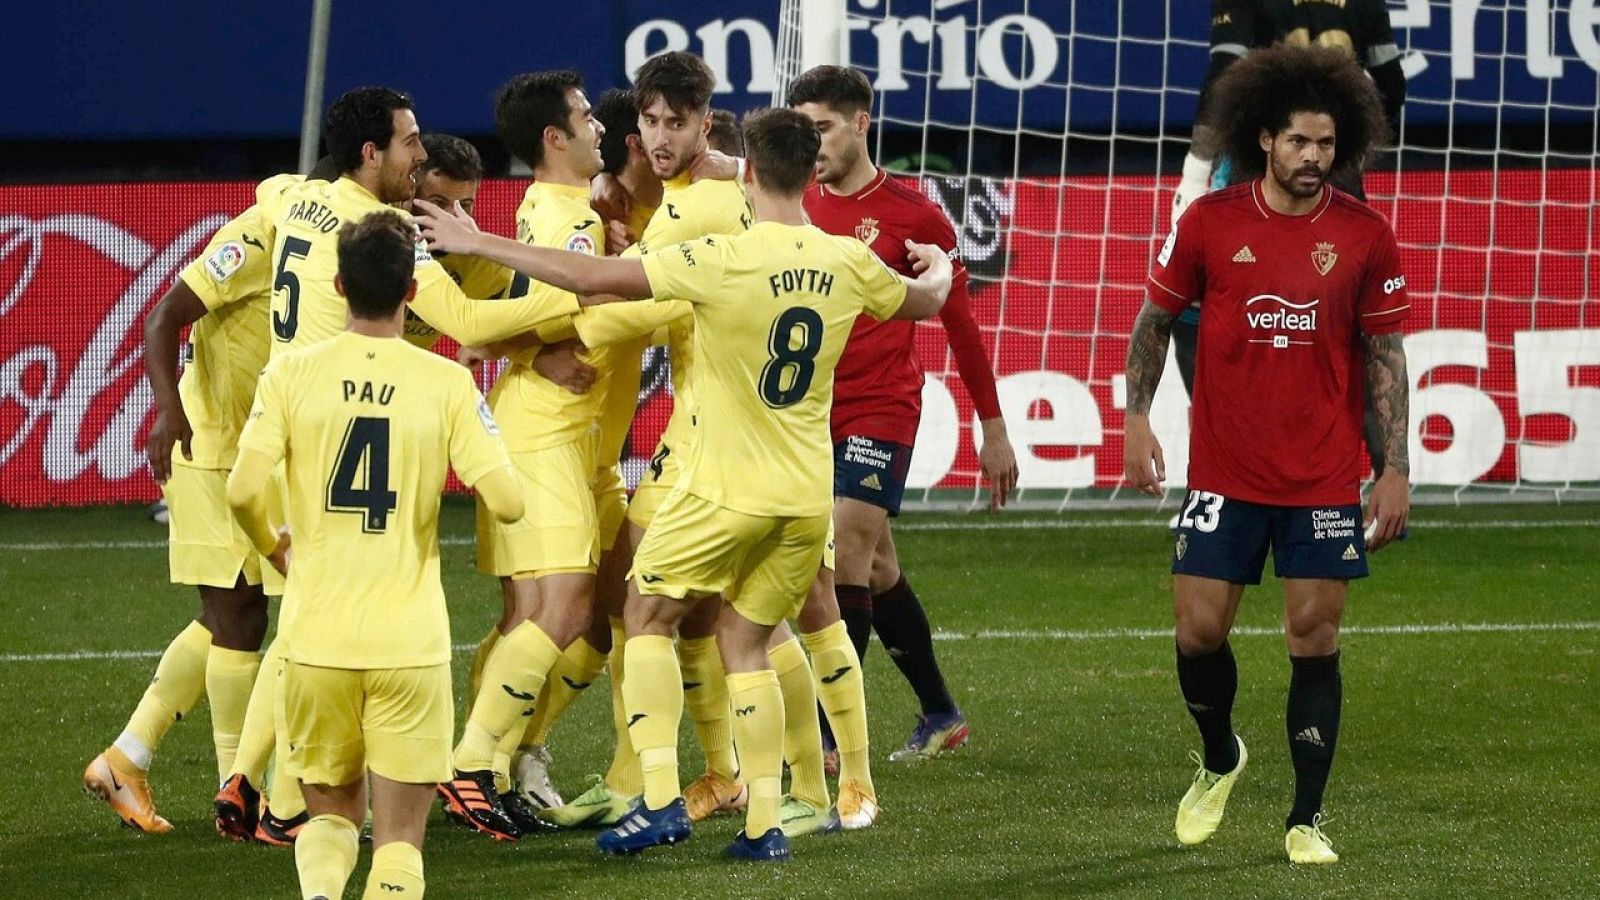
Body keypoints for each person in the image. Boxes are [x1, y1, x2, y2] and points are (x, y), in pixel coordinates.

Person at [413, 106, 953, 861]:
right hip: (804, 496)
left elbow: (590, 275)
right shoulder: (847, 260)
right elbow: (924, 299)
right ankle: (766, 822)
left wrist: (474, 240)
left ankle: (660, 798)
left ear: (750, 175)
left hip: (725, 490)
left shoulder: (720, 257)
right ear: (806, 176)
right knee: (746, 641)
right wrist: (941, 266)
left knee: (646, 617)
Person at [1122, 43, 1411, 865]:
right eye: (1299, 143)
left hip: (1321, 474)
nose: (1315, 158)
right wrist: (1136, 419)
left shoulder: (1364, 235)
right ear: (1264, 141)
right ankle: (1219, 756)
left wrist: (1393, 468)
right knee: (1198, 634)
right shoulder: (1211, 222)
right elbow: (1153, 323)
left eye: (1326, 144)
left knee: (1313, 636)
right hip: (1224, 469)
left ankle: (1305, 818)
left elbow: (1385, 355)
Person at [227, 209, 523, 898]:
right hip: (409, 645)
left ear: (337, 285)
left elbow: (242, 490)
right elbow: (508, 500)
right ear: (411, 295)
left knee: (329, 821)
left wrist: (276, 549)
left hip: (315, 636)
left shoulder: (290, 375)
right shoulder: (445, 382)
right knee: (399, 843)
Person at [789, 64, 1019, 766]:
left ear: (861, 123)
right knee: (880, 569)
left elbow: (962, 326)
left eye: (823, 127)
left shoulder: (915, 214)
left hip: (880, 406)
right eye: (803, 129)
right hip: (809, 411)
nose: (813, 143)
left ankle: (830, 741)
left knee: (841, 556)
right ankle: (941, 711)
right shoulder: (791, 201)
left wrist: (994, 425)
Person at [84, 167, 324, 836]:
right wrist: (168, 413)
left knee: (239, 614)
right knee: (239, 617)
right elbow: (164, 318)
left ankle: (128, 758)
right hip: (214, 446)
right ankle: (240, 794)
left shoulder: (325, 233)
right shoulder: (254, 238)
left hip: (262, 447)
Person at [435, 69, 619, 842]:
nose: (600, 128)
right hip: (544, 432)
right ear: (555, 137)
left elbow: (519, 320)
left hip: (570, 435)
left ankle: (502, 764)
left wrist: (527, 345)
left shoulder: (568, 211)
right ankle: (472, 766)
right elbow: (499, 321)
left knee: (560, 616)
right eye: (586, 117)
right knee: (566, 609)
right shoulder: (565, 221)